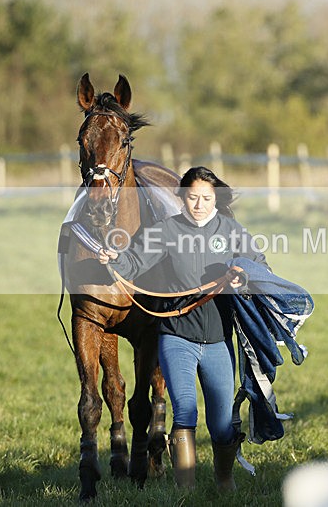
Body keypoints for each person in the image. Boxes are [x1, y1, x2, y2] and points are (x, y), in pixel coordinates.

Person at [98, 166, 268, 491]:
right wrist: (114, 259)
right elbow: (134, 262)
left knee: (221, 425)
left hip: (218, 340)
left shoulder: (232, 230)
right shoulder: (165, 230)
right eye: (192, 197)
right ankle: (185, 493)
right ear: (182, 197)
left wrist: (242, 276)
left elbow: (259, 266)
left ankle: (224, 483)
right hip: (176, 336)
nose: (199, 204)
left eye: (206, 198)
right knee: (185, 412)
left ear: (215, 198)